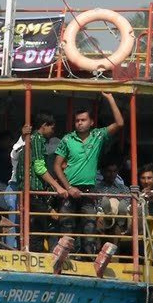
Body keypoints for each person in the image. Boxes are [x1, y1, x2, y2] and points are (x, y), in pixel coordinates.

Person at [53, 92, 124, 255]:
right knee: (66, 229)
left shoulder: (97, 136)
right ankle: (66, 261)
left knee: (90, 228)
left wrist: (110, 99)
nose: (79, 123)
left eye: (83, 120)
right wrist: (68, 187)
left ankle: (89, 260)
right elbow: (57, 166)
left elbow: (120, 123)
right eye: (77, 120)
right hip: (69, 191)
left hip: (88, 191)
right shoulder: (67, 139)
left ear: (91, 122)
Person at [15, 113, 68, 253]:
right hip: (33, 190)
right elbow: (39, 167)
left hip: (31, 190)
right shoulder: (37, 140)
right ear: (44, 126)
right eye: (52, 128)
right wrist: (57, 187)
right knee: (39, 227)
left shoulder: (31, 140)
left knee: (37, 226)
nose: (52, 131)